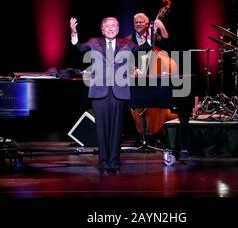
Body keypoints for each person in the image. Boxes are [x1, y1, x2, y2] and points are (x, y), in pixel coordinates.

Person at [70, 17, 150, 174]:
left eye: (114, 26)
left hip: (119, 92)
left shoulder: (127, 44)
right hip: (99, 92)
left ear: (118, 28)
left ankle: (114, 162)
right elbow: (79, 48)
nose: (111, 28)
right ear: (102, 29)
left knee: (116, 128)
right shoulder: (93, 42)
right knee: (101, 129)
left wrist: (151, 35)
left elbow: (143, 49)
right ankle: (103, 162)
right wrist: (74, 33)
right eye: (108, 26)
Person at [124, 13, 177, 146]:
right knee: (135, 107)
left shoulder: (154, 37)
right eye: (136, 22)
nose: (138, 24)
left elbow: (167, 42)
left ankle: (157, 133)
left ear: (148, 24)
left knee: (156, 103)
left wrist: (162, 27)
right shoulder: (128, 40)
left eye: (141, 22)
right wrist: (133, 69)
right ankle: (141, 135)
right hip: (137, 80)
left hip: (155, 80)